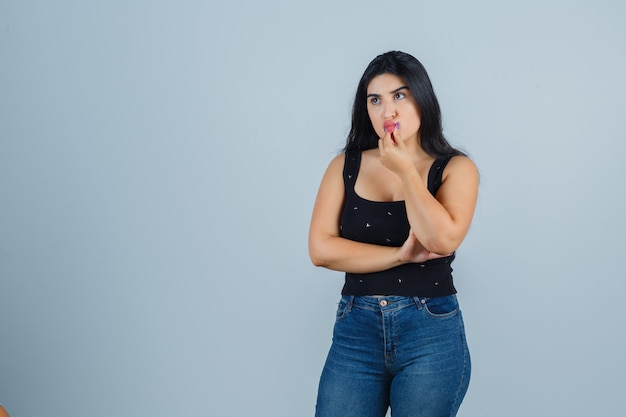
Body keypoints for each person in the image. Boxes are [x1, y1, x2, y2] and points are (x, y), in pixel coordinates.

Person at [308, 51, 479, 417]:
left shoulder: (456, 168)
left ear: (422, 98)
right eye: (376, 99)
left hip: (430, 332)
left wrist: (406, 172)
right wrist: (399, 256)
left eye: (400, 95)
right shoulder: (345, 164)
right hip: (356, 330)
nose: (389, 111)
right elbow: (321, 249)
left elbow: (441, 240)